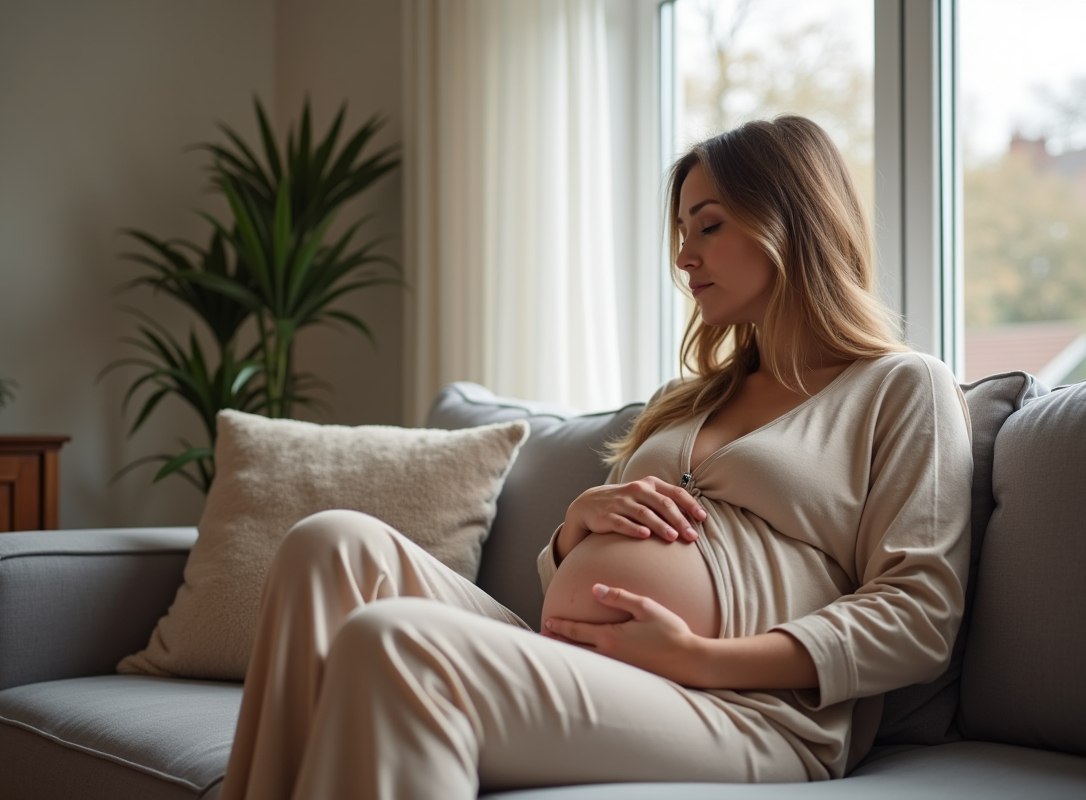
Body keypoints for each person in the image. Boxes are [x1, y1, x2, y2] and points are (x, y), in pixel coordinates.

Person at [220, 115, 973, 800]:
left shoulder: (900, 387)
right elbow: (574, 586)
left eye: (707, 227)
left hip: (744, 708)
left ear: (791, 224)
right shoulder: (687, 401)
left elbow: (920, 615)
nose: (684, 256)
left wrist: (703, 657)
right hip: (598, 663)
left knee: (396, 644)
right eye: (682, 230)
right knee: (328, 544)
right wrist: (574, 529)